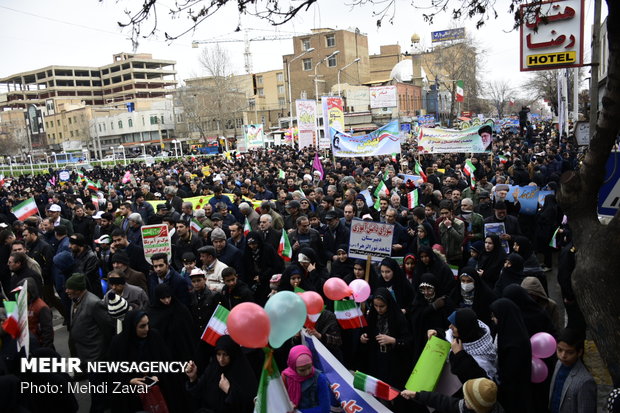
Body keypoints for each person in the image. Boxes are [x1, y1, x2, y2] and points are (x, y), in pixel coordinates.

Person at [107, 310, 185, 413]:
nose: (147, 329)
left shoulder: (154, 337)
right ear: (132, 327)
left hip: (158, 393)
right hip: (131, 398)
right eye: (142, 326)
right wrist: (130, 381)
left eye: (148, 324)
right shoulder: (119, 343)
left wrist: (157, 376)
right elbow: (113, 371)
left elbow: (167, 363)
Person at [185, 335, 258, 413]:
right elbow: (198, 393)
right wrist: (193, 378)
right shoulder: (213, 368)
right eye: (218, 354)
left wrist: (229, 390)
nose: (221, 359)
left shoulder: (242, 373)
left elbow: (249, 404)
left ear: (232, 354)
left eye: (225, 354)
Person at [360, 287, 413, 390]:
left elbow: (408, 340)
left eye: (382, 306)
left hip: (394, 362)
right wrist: (363, 337)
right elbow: (368, 332)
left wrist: (393, 340)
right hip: (376, 360)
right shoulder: (372, 315)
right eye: (376, 306)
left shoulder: (398, 317)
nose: (378, 309)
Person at [489, 298, 533, 413]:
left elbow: (511, 374)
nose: (492, 319)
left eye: (495, 316)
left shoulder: (515, 344)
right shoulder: (508, 330)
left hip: (515, 391)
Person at [549, 328, 597, 413]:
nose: (563, 356)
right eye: (559, 350)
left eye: (569, 352)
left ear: (579, 352)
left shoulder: (585, 381)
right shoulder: (559, 364)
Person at [401, 377, 501, 413]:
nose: (464, 398)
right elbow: (443, 401)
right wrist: (417, 395)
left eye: (468, 399)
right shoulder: (466, 407)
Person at [282, 344, 331, 413]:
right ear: (293, 366)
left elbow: (325, 409)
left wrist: (298, 412)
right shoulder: (286, 377)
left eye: (309, 367)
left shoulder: (319, 378)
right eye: (302, 370)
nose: (307, 372)